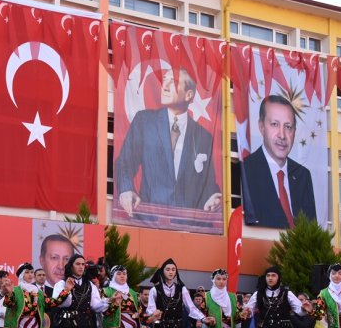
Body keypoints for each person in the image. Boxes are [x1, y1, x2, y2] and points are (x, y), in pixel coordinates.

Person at [116, 68, 221, 215]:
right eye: (164, 80)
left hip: (188, 226)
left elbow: (207, 184)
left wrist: (213, 197)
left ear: (189, 95)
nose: (164, 86)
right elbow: (125, 162)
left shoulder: (204, 136)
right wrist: (126, 189)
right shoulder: (145, 122)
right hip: (148, 219)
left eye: (173, 82)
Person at [242, 95, 317, 228]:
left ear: (294, 131)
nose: (282, 135)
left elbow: (311, 232)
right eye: (275, 124)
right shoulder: (246, 169)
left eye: (288, 127)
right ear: (261, 127)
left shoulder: (303, 176)